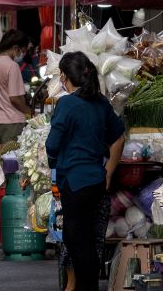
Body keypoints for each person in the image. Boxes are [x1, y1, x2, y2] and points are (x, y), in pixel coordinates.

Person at [46, 52, 125, 291]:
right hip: (96, 181)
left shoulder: (67, 103)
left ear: (64, 76)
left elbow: (52, 144)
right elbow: (118, 135)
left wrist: (53, 163)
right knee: (81, 238)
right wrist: (108, 173)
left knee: (79, 241)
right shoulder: (100, 102)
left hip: (75, 182)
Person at [0, 29, 32, 151]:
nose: (22, 54)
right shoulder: (12, 66)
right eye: (23, 50)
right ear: (16, 47)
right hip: (12, 122)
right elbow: (15, 98)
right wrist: (28, 110)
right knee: (13, 162)